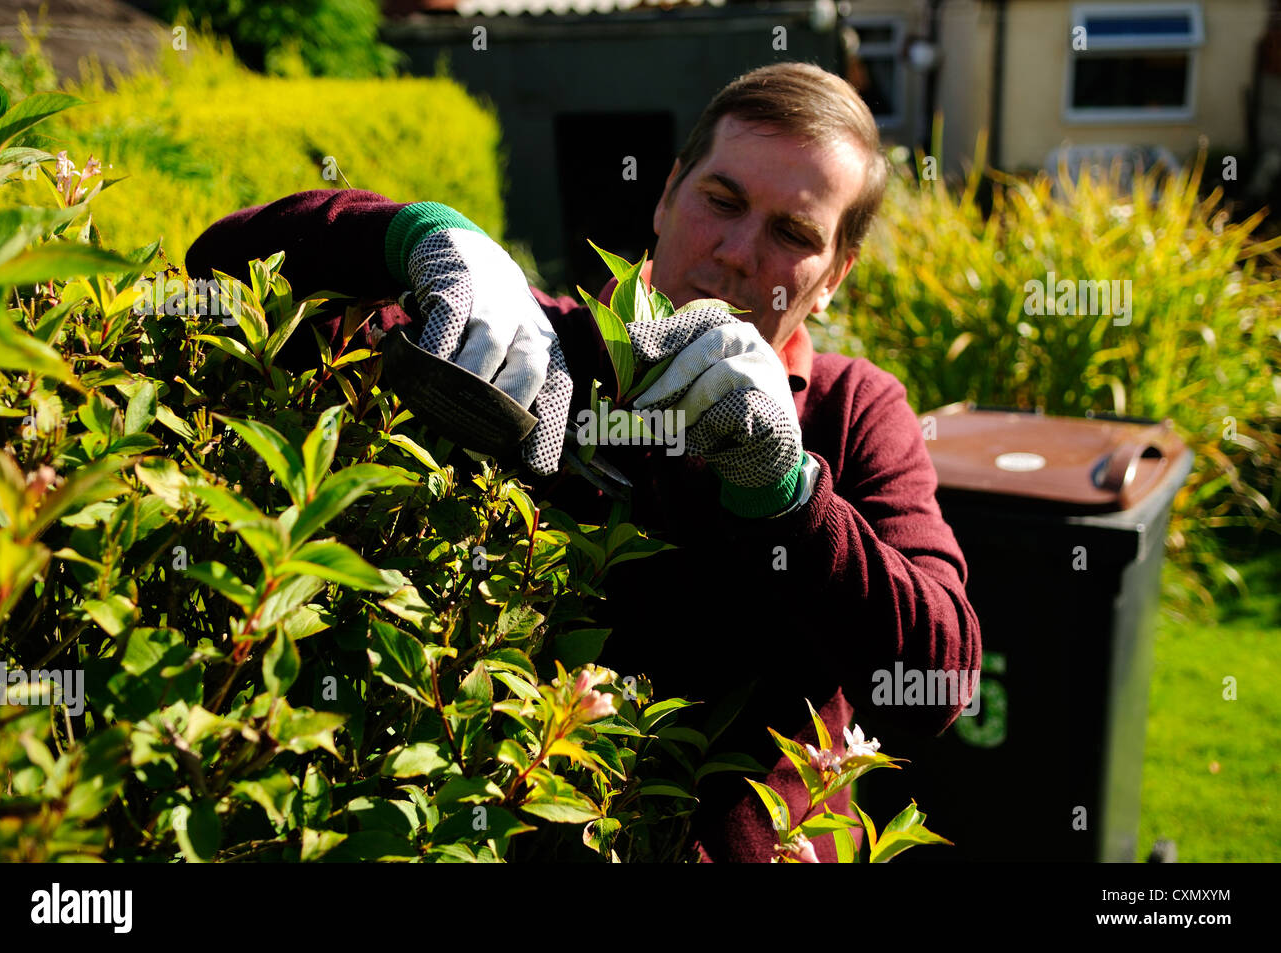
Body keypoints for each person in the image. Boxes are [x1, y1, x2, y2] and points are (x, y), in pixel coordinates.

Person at [185, 61, 981, 863]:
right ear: (667, 195)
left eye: (793, 234)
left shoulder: (854, 411)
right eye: (722, 200)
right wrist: (416, 237)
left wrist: (784, 491)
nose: (739, 252)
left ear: (835, 274)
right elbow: (218, 269)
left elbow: (938, 684)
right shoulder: (531, 349)